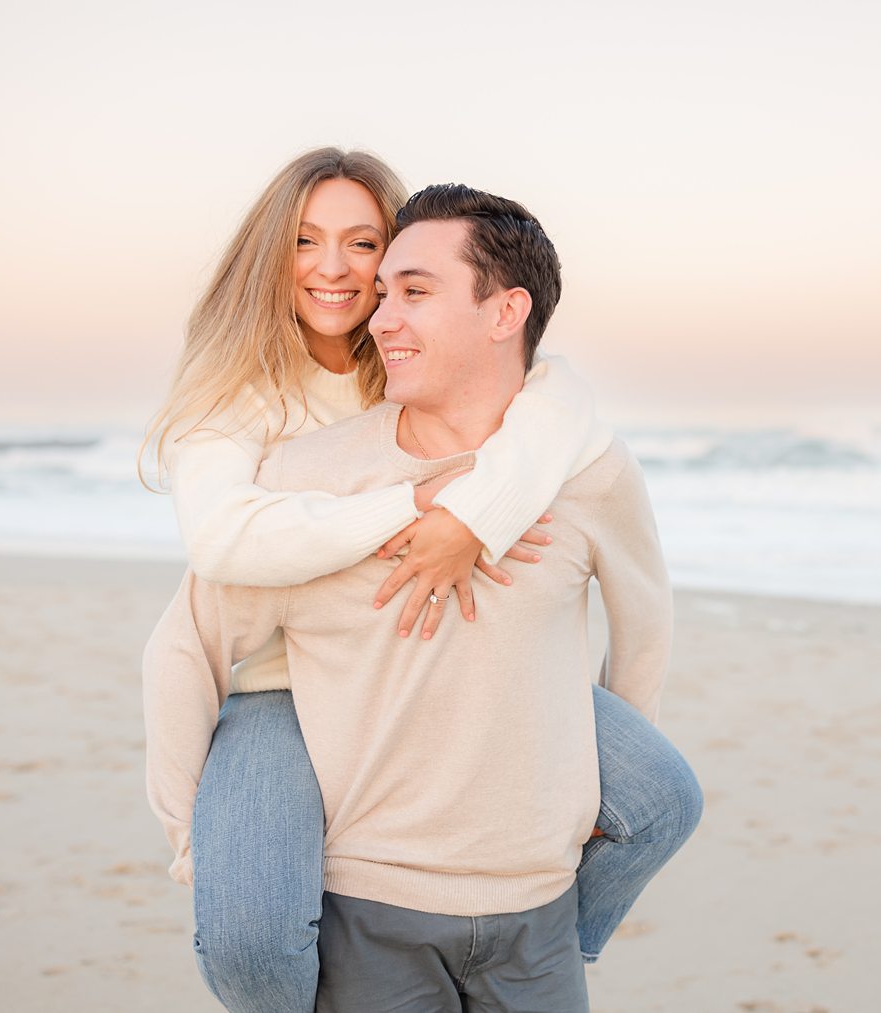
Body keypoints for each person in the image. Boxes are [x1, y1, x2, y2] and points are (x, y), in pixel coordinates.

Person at [141, 150, 701, 1012]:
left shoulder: (430, 373)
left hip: (430, 698)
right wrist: (412, 513)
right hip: (274, 684)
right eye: (305, 241)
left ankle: (547, 942)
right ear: (268, 256)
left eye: (364, 243)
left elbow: (556, 398)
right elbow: (221, 545)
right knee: (250, 923)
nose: (338, 270)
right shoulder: (242, 403)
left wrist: (479, 514)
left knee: (662, 796)